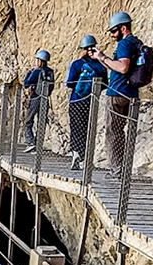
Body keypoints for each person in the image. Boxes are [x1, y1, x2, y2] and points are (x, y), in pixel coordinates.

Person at [92, 12, 142, 166]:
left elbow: (122, 67)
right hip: (132, 93)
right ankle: (124, 168)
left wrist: (103, 58)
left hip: (117, 92)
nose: (112, 35)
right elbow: (116, 66)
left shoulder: (124, 44)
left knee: (113, 132)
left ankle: (117, 169)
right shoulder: (137, 43)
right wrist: (101, 57)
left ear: (123, 28)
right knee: (126, 132)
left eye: (114, 31)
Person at [64, 35, 103, 167]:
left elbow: (69, 83)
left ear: (83, 49)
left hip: (76, 101)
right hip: (91, 101)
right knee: (88, 128)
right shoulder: (100, 65)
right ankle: (85, 158)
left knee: (75, 127)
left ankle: (76, 152)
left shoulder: (77, 64)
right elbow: (104, 84)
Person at [20, 50, 55, 152]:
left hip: (35, 97)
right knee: (41, 122)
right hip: (45, 98)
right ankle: (38, 143)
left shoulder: (37, 71)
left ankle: (30, 142)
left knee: (28, 121)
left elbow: (26, 83)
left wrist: (29, 73)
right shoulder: (50, 72)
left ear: (40, 61)